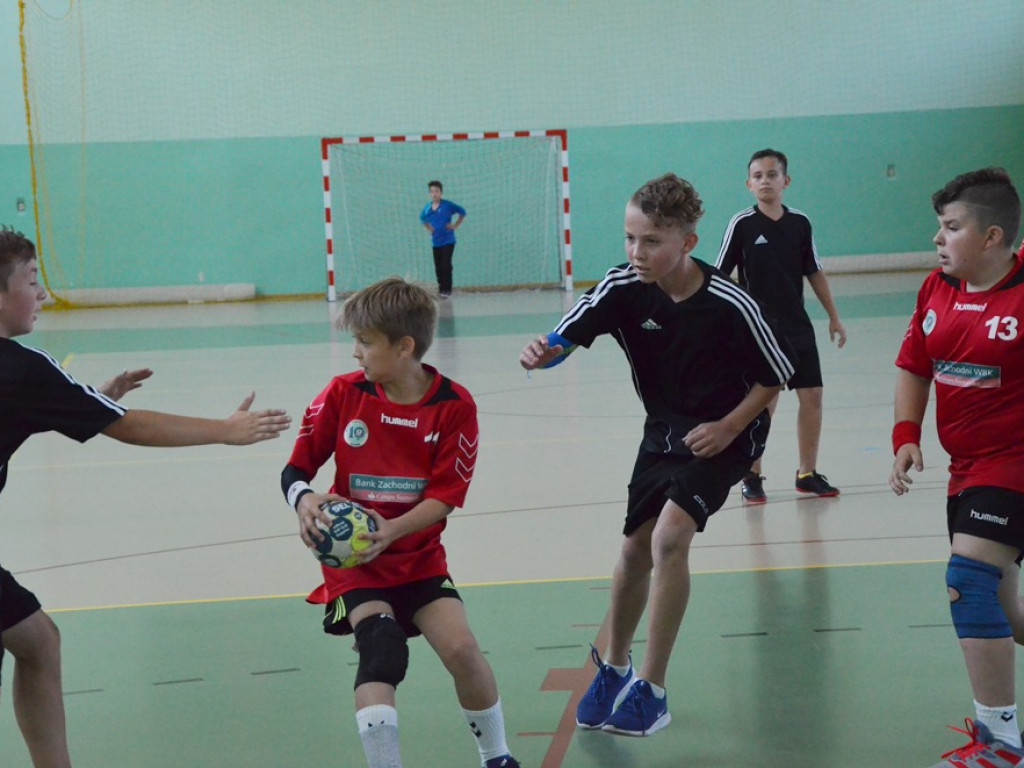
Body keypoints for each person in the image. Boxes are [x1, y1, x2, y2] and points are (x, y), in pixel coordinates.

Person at [0, 226, 291, 768]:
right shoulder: (21, 367)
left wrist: (86, 403)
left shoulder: (22, 375)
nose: (41, 294)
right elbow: (130, 428)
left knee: (32, 639)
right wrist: (224, 429)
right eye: (33, 281)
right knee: (35, 640)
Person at [519, 173, 794, 737]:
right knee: (632, 548)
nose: (636, 253)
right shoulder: (623, 288)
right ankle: (615, 667)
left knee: (670, 536)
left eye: (651, 242)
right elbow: (564, 338)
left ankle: (653, 686)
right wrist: (541, 353)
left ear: (687, 243)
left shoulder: (729, 302)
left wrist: (728, 426)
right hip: (663, 434)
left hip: (729, 434)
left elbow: (777, 376)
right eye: (629, 239)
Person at [280, 277, 519, 768]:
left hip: (417, 554)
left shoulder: (453, 406)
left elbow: (445, 497)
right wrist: (303, 501)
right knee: (382, 649)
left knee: (463, 650)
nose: (355, 354)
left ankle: (496, 757)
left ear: (404, 346)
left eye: (365, 342)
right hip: (356, 561)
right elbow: (295, 469)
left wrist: (391, 530)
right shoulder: (343, 395)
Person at [890, 168, 1024, 766]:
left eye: (951, 227)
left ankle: (1001, 742)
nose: (938, 239)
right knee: (1010, 615)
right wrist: (906, 435)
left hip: (1014, 465)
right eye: (939, 227)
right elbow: (915, 365)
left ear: (993, 237)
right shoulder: (935, 291)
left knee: (968, 583)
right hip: (966, 470)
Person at [716, 148, 847, 503]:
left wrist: (833, 316)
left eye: (772, 175)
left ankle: (807, 473)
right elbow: (719, 276)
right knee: (762, 404)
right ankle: (752, 475)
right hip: (758, 331)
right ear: (748, 184)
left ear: (785, 181)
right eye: (758, 176)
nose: (765, 181)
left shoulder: (799, 223)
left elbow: (814, 271)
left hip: (797, 328)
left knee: (813, 397)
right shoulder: (741, 224)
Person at [419, 180, 466, 297]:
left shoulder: (448, 205)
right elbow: (422, 219)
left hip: (448, 240)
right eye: (432, 192)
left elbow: (462, 212)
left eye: (436, 191)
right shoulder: (427, 208)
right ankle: (441, 288)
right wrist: (429, 228)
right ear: (429, 194)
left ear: (441, 192)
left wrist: (455, 225)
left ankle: (447, 289)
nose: (434, 194)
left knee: (446, 264)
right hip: (436, 241)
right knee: (438, 266)